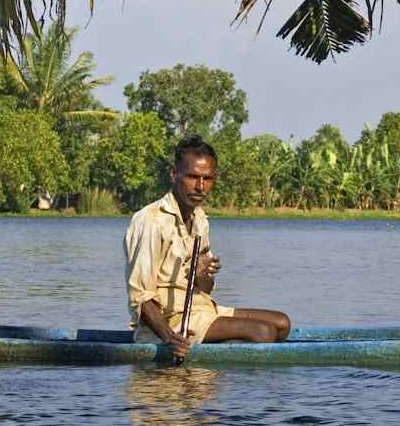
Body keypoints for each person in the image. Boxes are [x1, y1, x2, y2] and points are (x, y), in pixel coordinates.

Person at [125, 136, 292, 360]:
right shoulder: (151, 221)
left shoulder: (199, 218)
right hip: (171, 322)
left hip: (201, 308)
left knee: (281, 324)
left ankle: (219, 349)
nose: (201, 186)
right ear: (174, 174)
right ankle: (218, 362)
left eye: (207, 178)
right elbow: (140, 297)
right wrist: (169, 338)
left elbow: (205, 287)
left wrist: (203, 274)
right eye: (193, 177)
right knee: (263, 332)